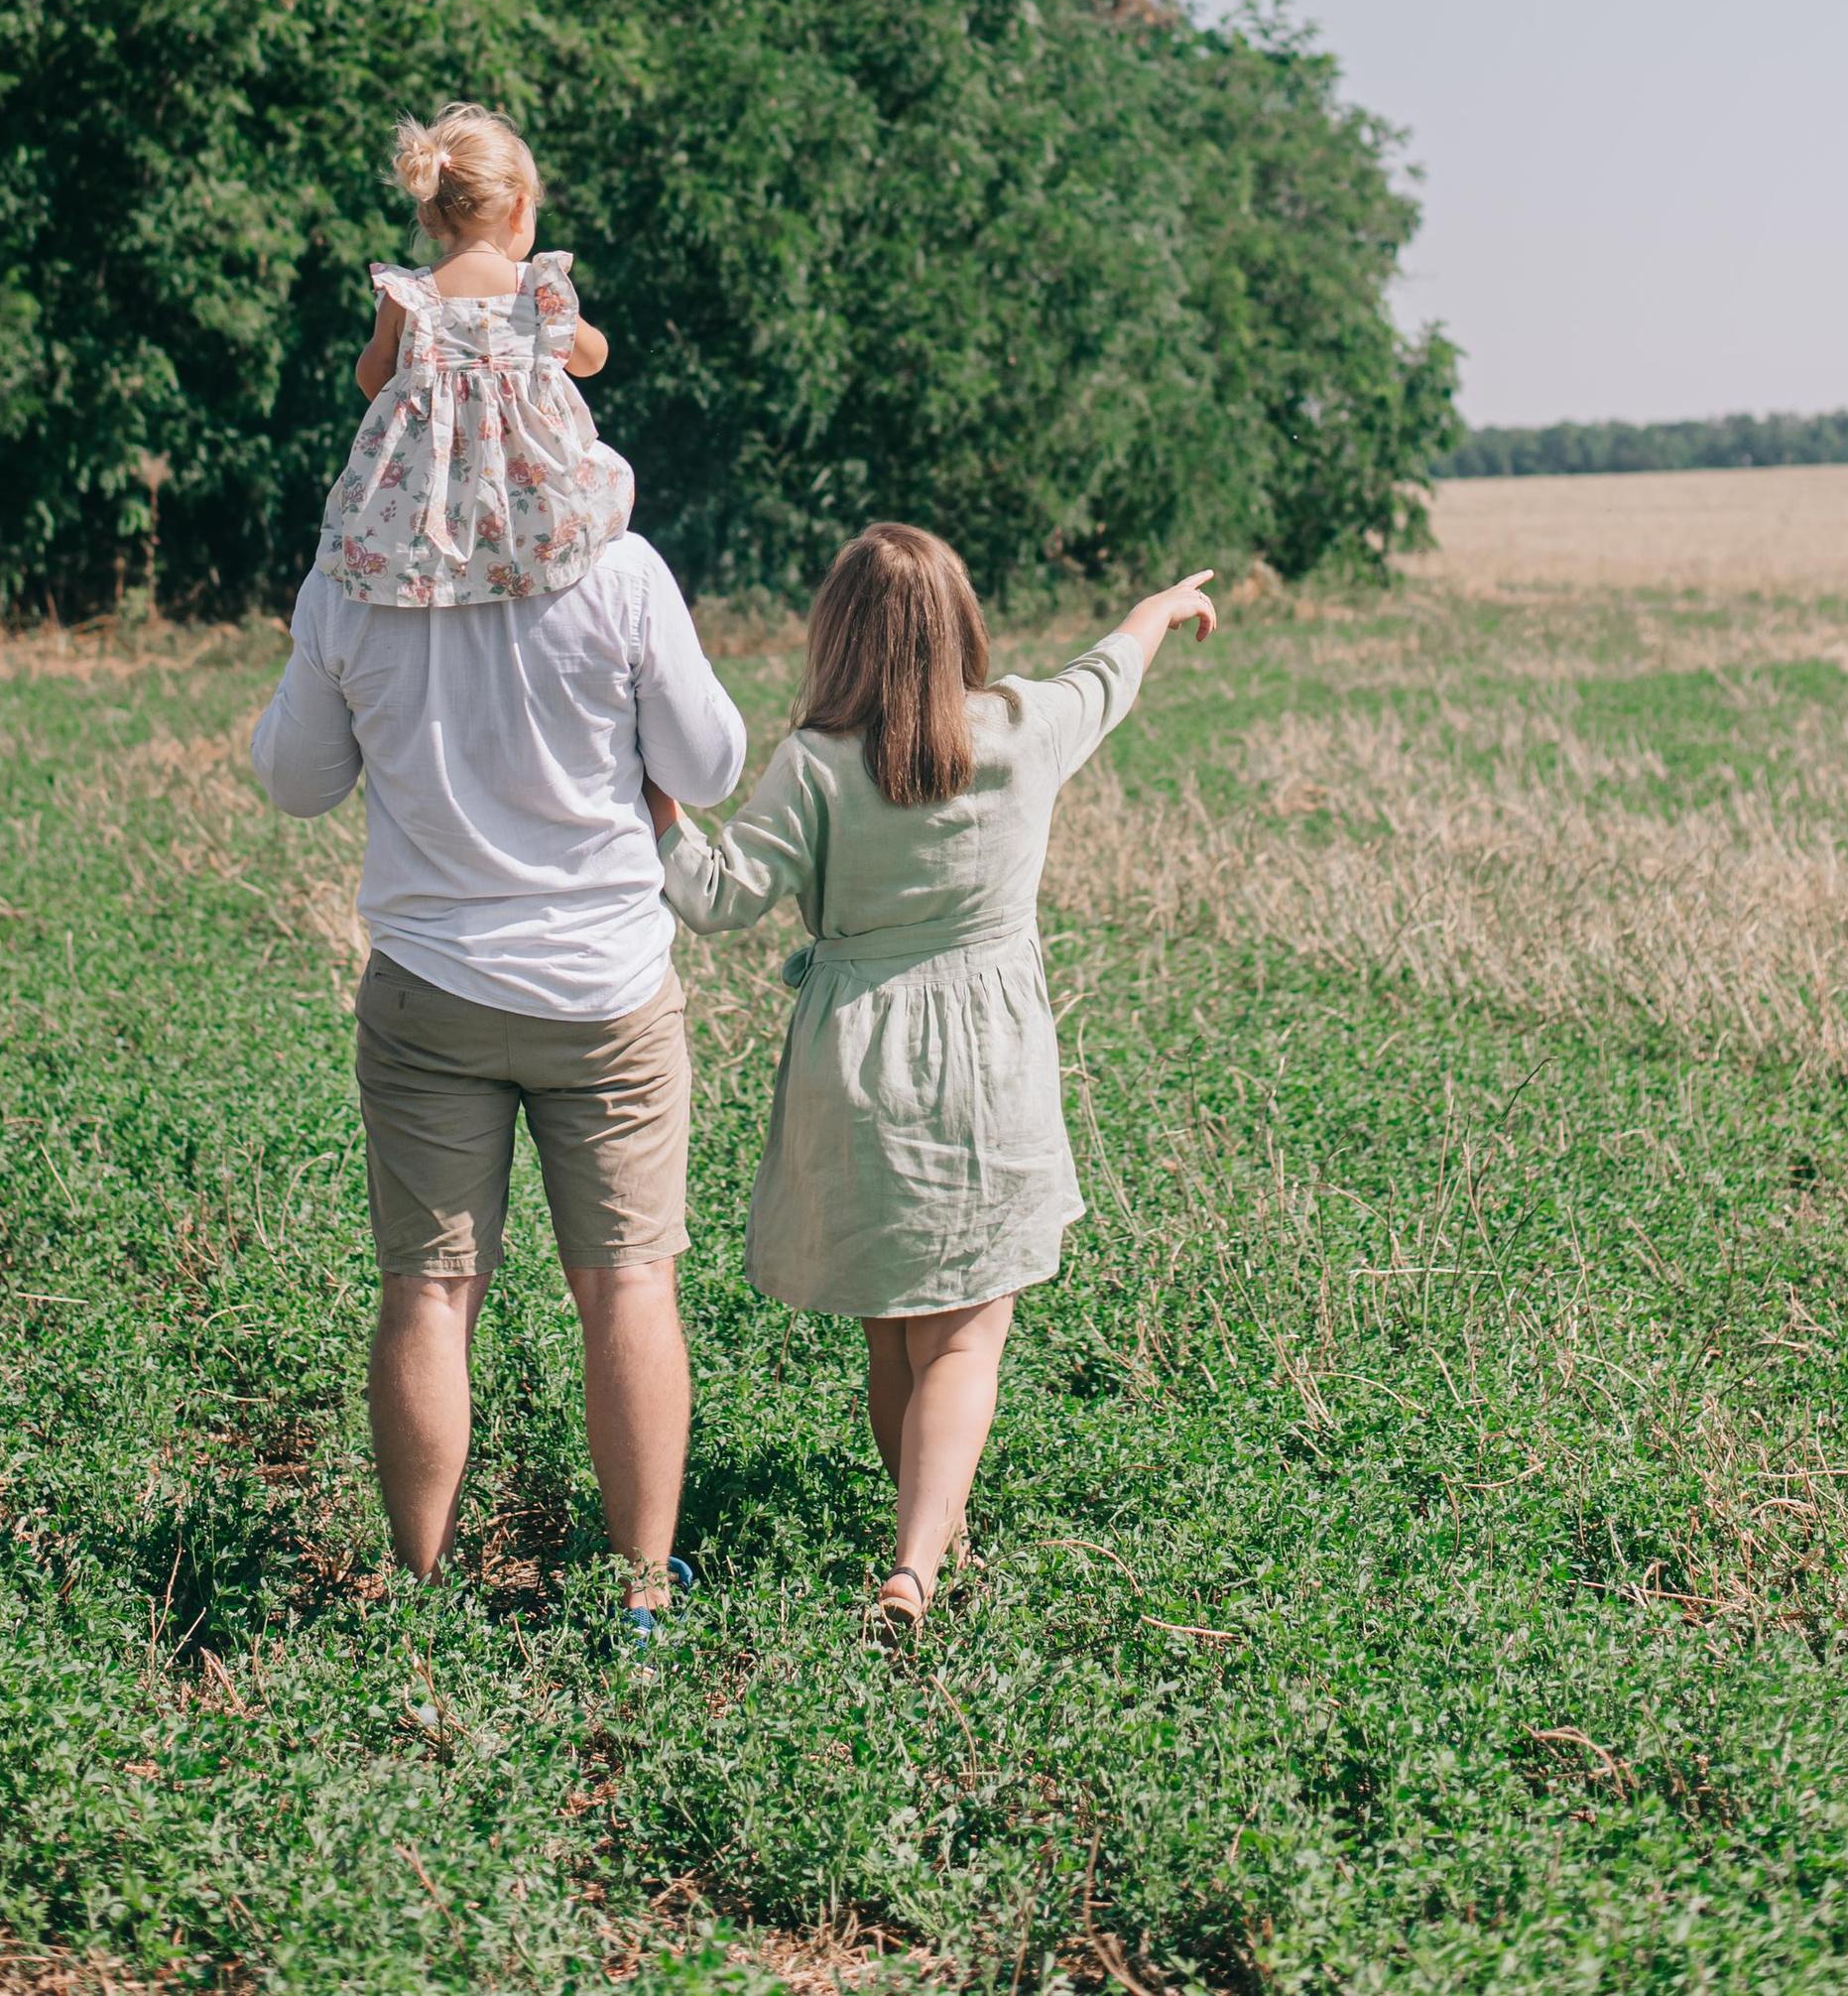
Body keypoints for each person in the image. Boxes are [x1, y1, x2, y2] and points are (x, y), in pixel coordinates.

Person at [253, 113, 744, 1624]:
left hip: (431, 991)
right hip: (605, 984)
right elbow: (716, 766)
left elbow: (294, 781)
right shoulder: (617, 562)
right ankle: (644, 1594)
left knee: (431, 1290)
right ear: (525, 227)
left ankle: (414, 1582)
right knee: (630, 1288)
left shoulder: (357, 574)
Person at [646, 522, 1216, 1638]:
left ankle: (932, 1530)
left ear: (837, 633)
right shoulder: (1024, 727)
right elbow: (1112, 672)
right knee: (965, 1334)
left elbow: (716, 898)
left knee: (895, 1328)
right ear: (962, 623)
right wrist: (1159, 609)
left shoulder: (813, 760)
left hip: (854, 1065)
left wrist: (654, 807)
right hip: (990, 1066)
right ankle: (916, 1563)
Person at [318, 103, 634, 607]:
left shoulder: (408, 295)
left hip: (429, 495)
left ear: (428, 213)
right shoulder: (536, 287)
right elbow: (593, 359)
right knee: (605, 476)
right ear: (518, 208)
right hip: (534, 495)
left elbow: (373, 379)